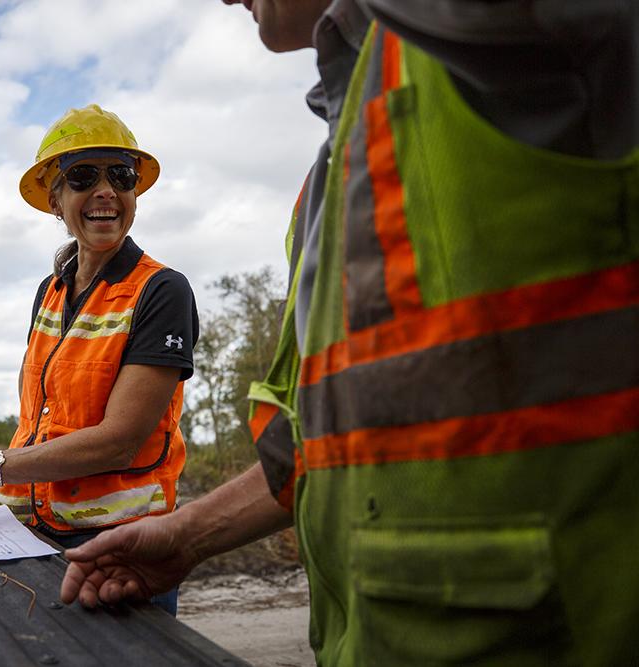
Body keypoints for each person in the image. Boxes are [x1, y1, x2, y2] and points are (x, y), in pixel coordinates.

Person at [60, 1, 639, 664]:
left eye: (119, 175)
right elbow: (316, 444)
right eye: (81, 177)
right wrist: (190, 534)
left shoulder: (493, 41)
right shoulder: (328, 180)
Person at [0, 104, 198, 616]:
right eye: (83, 176)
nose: (105, 190)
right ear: (55, 200)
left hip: (120, 555)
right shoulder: (50, 292)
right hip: (30, 541)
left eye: (120, 175)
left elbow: (120, 442)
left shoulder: (162, 290)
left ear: (134, 193)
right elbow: (39, 419)